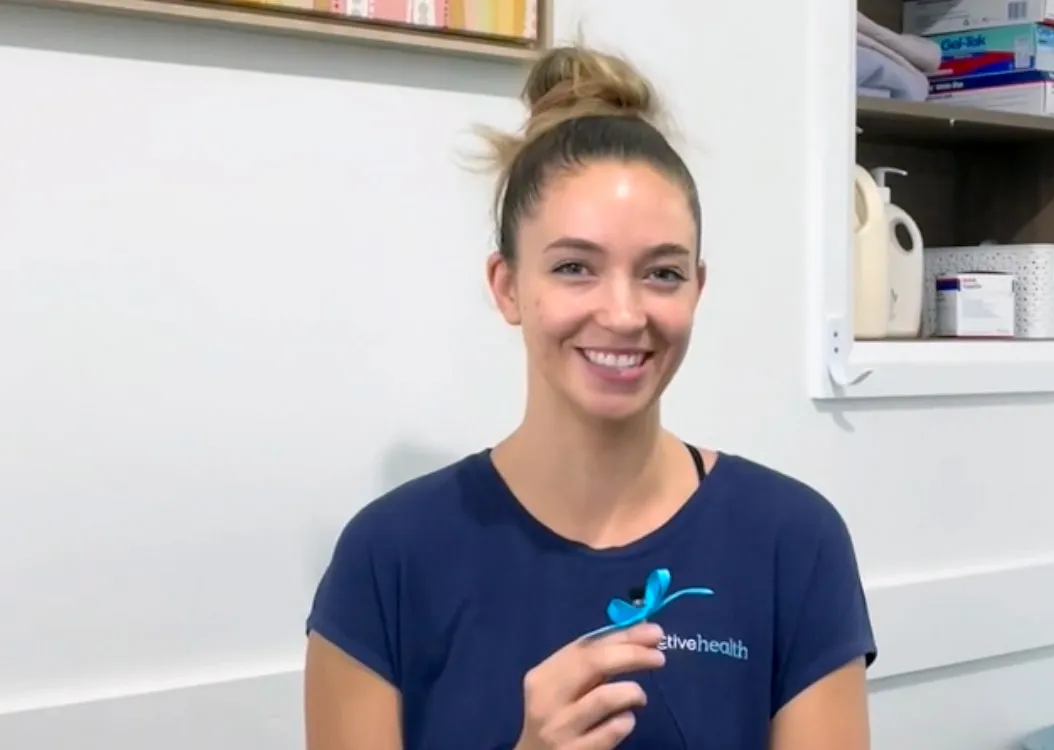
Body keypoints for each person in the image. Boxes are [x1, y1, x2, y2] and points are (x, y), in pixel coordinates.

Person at [303, 44, 877, 750]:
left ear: (698, 289)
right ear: (507, 285)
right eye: (574, 267)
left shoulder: (792, 542)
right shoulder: (386, 559)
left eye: (661, 274)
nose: (622, 313)